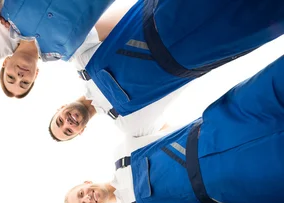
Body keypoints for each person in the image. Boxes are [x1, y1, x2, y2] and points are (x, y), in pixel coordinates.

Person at [64, 55, 284, 203]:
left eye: (81, 194)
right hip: (229, 183)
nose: (88, 198)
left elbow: (159, 120)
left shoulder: (122, 151)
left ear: (86, 182)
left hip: (214, 130)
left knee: (271, 89)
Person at [48, 0, 284, 140]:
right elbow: (173, 132)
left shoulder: (81, 59)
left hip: (166, 15)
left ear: (60, 108)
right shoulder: (131, 126)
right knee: (260, 16)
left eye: (60, 122)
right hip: (202, 49)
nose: (68, 123)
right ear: (80, 132)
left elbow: (118, 19)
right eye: (68, 131)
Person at [0, 0, 115, 98]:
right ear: (36, 75)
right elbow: (115, 22)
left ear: (5, 62)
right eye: (24, 83)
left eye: (11, 77)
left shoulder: (7, 13)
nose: (19, 76)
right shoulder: (68, 52)